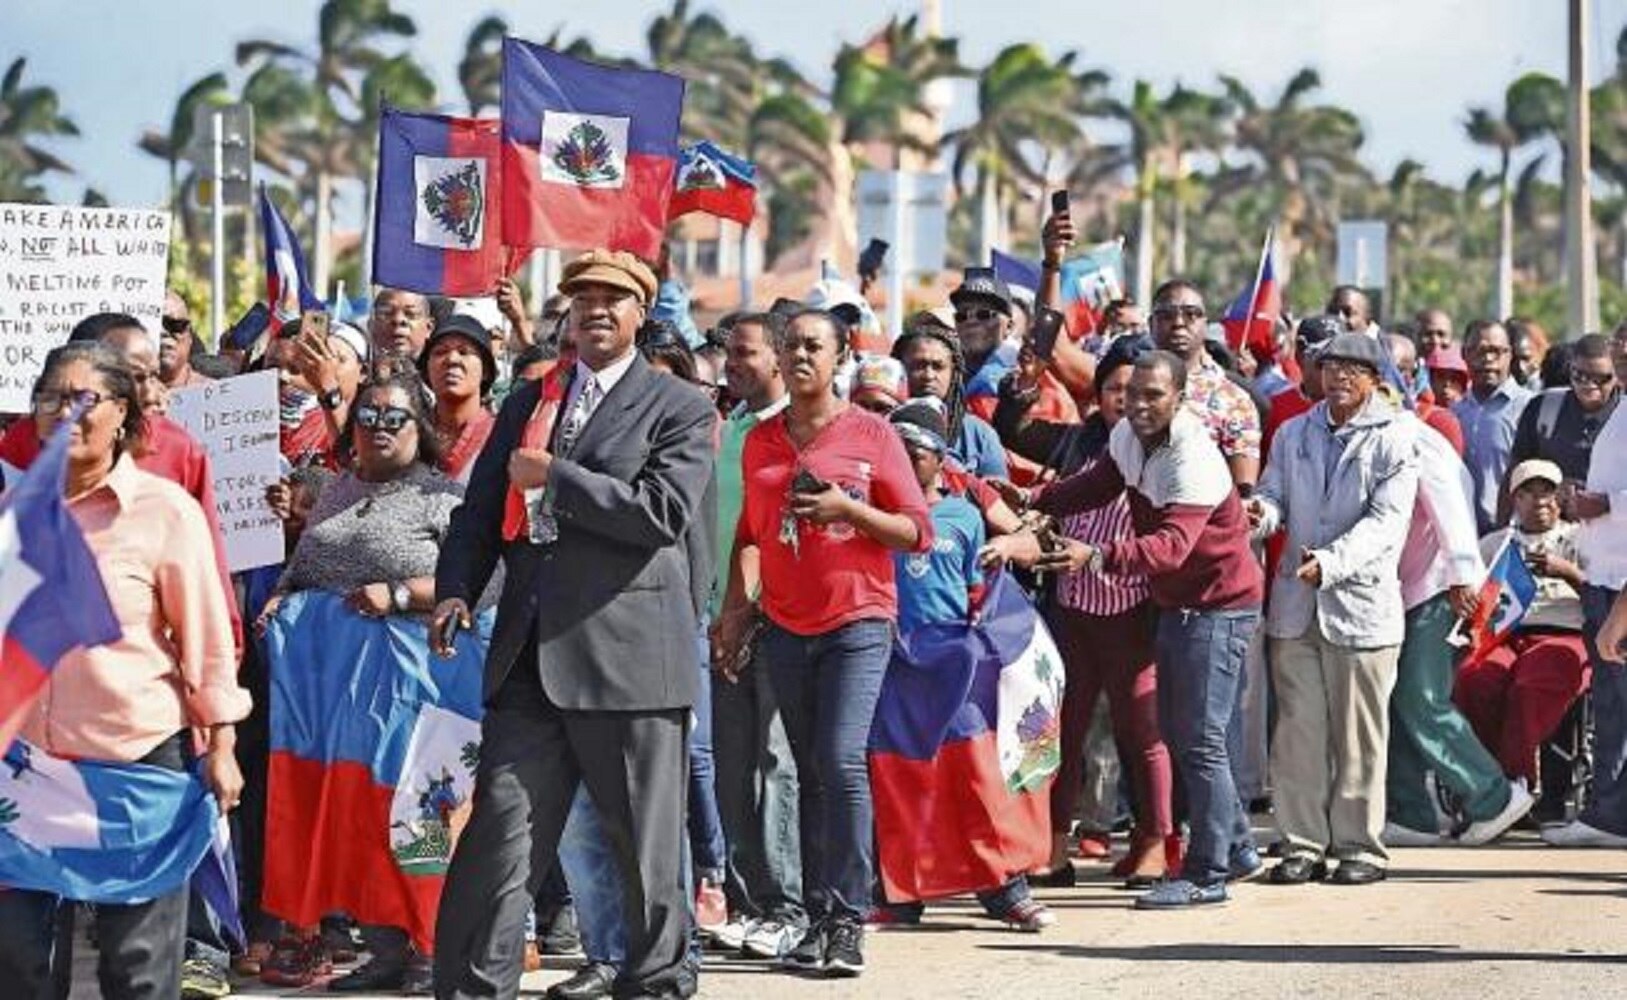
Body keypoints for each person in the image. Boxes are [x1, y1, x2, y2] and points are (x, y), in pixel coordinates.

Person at [432, 250, 716, 999]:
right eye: (581, 296)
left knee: (643, 847)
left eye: (612, 298)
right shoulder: (529, 403)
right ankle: (470, 987)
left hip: (627, 656)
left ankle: (656, 981)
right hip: (528, 653)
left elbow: (660, 514)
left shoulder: (679, 405)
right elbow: (477, 511)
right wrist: (455, 589)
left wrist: (556, 479)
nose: (594, 308)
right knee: (500, 831)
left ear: (639, 315)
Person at [0, 342, 248, 999]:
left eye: (86, 399)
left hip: (136, 767)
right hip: (27, 773)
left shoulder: (165, 513)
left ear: (123, 413)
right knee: (16, 960)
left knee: (135, 967)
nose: (66, 412)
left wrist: (221, 746)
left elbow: (207, 643)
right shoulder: (11, 514)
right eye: (52, 397)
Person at [715, 308, 931, 977]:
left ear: (839, 357)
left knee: (839, 762)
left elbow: (915, 530)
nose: (799, 355)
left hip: (857, 622)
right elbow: (748, 536)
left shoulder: (870, 433)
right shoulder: (757, 440)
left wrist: (850, 511)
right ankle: (814, 918)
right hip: (782, 625)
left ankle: (847, 921)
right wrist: (734, 612)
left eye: (813, 345)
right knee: (809, 772)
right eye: (790, 346)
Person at [1032, 351, 1265, 909]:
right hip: (1181, 605)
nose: (1137, 405)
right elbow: (1096, 486)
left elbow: (1170, 548)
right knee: (1187, 734)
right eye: (1132, 393)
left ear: (1180, 399)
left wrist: (1094, 556)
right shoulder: (1129, 440)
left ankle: (1208, 873)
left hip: (1218, 607)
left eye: (1153, 395)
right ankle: (1234, 849)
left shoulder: (1195, 458)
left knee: (1199, 739)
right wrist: (1034, 498)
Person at [257, 367, 463, 992]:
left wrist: (399, 594)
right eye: (367, 416)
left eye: (393, 417)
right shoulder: (338, 491)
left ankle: (431, 947)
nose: (377, 428)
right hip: (335, 693)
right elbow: (303, 568)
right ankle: (386, 947)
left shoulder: (444, 497)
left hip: (415, 683)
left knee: (417, 810)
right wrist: (281, 600)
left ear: (420, 427)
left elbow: (478, 585)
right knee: (357, 816)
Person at [993, 335, 1176, 888]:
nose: (1125, 400)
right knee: (1061, 734)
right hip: (1073, 611)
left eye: (1135, 390)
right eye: (1113, 389)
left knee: (1141, 733)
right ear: (1096, 396)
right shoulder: (1075, 444)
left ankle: (1153, 844)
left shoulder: (1166, 452)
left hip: (1135, 612)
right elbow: (1012, 430)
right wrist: (1024, 382)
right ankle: (1051, 847)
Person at [1251, 333, 1420, 886]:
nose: (1339, 376)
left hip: (1362, 605)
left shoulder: (1397, 437)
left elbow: (1385, 525)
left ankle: (1359, 847)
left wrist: (1331, 562)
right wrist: (1260, 512)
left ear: (1376, 378)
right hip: (1296, 604)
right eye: (1330, 366)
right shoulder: (1294, 431)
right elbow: (1274, 493)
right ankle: (1301, 842)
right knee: (1298, 731)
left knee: (1359, 735)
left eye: (1353, 367)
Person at [705, 311, 806, 962]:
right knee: (731, 769)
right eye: (726, 355)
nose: (730, 364)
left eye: (743, 354)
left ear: (777, 358)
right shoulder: (732, 426)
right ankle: (748, 902)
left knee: (776, 766)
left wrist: (751, 611)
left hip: (775, 620)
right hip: (719, 617)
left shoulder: (796, 431)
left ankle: (787, 906)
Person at [1382, 408, 1531, 849]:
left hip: (1438, 590)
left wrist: (1463, 574)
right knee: (1399, 701)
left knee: (1421, 698)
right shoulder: (1406, 433)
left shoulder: (1417, 437)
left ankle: (1493, 796)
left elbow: (1447, 505)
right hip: (1412, 592)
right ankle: (1414, 814)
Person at [1455, 461, 1590, 795]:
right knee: (1475, 678)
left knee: (1528, 687)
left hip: (1563, 632)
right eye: (1530, 492)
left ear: (1561, 497)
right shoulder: (1494, 544)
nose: (1540, 500)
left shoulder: (1582, 539)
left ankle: (1517, 784)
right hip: (1505, 633)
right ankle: (1489, 784)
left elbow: (1605, 598)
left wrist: (1568, 572)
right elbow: (1470, 605)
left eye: (1548, 491)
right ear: (1515, 499)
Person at [1542, 387, 1627, 847]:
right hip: (1604, 572)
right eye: (1619, 342)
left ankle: (1613, 817)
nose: (1623, 352)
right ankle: (1611, 812)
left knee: (1618, 703)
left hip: (1621, 584)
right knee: (1612, 704)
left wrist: (1610, 503)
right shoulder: (1621, 408)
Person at [1146, 279, 1261, 490]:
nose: (1179, 322)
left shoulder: (1233, 399)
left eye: (1191, 314)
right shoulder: (1128, 384)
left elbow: (1243, 489)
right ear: (1150, 323)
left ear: (1205, 325)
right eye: (1167, 315)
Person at [892, 315, 1008, 477]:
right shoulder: (881, 423)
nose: (928, 375)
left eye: (938, 366)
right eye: (918, 366)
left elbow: (1000, 497)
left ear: (954, 373)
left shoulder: (979, 435)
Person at [1507, 333, 1619, 487]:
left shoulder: (1623, 414)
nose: (1590, 384)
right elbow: (1516, 472)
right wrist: (1554, 486)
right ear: (1570, 369)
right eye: (1580, 375)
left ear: (1617, 376)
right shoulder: (1542, 408)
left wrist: (1605, 500)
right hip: (1552, 509)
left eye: (1601, 378)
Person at [1454, 320, 1534, 535]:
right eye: (1479, 351)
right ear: (1464, 354)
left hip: (1512, 535)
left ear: (1510, 355)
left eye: (1496, 351)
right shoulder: (1454, 413)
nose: (1488, 359)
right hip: (1462, 534)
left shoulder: (1530, 408)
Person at [419, 313, 498, 485]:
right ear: (426, 369)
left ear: (485, 371)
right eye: (440, 352)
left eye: (464, 352)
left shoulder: (502, 436)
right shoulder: (411, 434)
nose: (452, 359)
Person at [1384, 333, 1465, 453]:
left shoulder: (1441, 422)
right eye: (1380, 369)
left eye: (1398, 371)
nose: (1387, 378)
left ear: (1413, 374)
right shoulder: (1354, 416)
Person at [159, 290, 212, 390]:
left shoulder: (217, 396)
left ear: (190, 337)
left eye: (174, 325)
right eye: (155, 326)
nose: (163, 332)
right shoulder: (123, 397)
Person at [370, 287, 436, 360]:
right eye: (387, 313)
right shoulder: (357, 369)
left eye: (411, 314)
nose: (398, 319)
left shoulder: (442, 369)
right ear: (371, 325)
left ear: (429, 327)